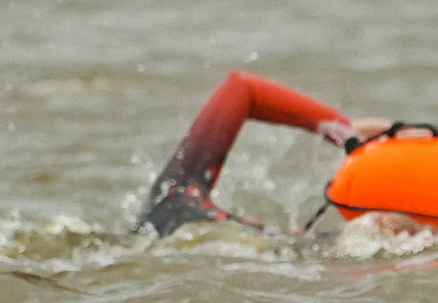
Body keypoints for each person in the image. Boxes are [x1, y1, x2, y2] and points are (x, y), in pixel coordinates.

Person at [137, 69, 413, 235]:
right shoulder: (174, 197)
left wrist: (348, 134)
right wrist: (345, 132)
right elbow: (242, 87)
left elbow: (242, 88)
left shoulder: (171, 203)